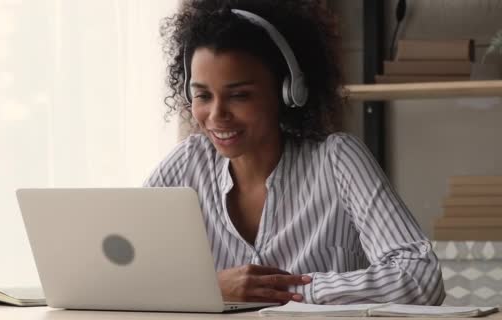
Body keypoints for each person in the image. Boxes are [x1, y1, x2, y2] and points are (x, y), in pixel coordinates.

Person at [144, 0, 445, 305]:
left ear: (288, 91)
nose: (217, 114)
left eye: (239, 96)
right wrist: (210, 287)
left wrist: (286, 291)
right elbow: (121, 272)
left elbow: (420, 278)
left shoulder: (337, 160)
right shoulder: (186, 164)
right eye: (203, 95)